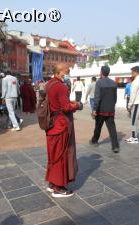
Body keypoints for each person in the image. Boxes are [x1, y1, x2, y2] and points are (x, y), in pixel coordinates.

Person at [45, 63, 82, 198]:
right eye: (66, 70)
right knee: (61, 155)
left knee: (54, 155)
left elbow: (57, 102)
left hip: (51, 124)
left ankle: (52, 183)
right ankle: (58, 187)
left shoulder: (49, 84)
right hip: (61, 125)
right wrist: (77, 105)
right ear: (59, 71)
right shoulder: (60, 86)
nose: (67, 72)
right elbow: (66, 107)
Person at [89, 66, 120, 153]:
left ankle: (94, 140)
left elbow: (97, 97)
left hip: (101, 109)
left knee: (98, 126)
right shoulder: (114, 83)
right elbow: (115, 98)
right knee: (112, 128)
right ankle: (115, 146)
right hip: (110, 109)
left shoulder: (99, 83)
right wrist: (112, 106)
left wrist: (94, 109)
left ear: (101, 72)